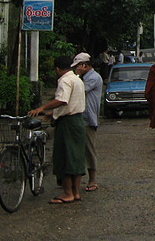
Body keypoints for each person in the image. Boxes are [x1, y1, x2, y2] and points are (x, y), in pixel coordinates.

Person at [29, 55, 86, 204]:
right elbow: (70, 103)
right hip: (78, 121)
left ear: (57, 69)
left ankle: (68, 193)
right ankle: (76, 192)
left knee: (64, 157)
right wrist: (53, 113)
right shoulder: (77, 79)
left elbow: (62, 100)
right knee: (77, 157)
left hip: (67, 124)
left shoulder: (65, 81)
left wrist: (42, 107)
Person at [72, 52, 102, 192]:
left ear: (84, 65)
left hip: (88, 119)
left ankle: (92, 179)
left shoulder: (93, 78)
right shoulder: (83, 78)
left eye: (77, 67)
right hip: (80, 117)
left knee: (89, 150)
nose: (75, 69)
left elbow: (78, 91)